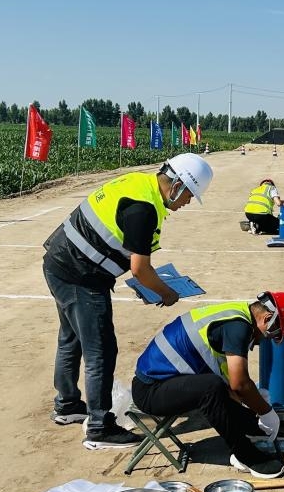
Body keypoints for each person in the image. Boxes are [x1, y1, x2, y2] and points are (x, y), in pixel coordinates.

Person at [42, 153, 213, 449]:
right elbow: (140, 269)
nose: (186, 203)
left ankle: (67, 405)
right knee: (101, 350)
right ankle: (99, 426)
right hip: (81, 276)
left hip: (61, 263)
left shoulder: (138, 182)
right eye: (188, 195)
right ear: (176, 185)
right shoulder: (144, 209)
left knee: (71, 339)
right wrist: (166, 292)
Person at [130, 291, 284, 478]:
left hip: (165, 382)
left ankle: (254, 430)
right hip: (150, 391)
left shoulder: (237, 315)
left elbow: (232, 384)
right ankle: (246, 456)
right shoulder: (239, 328)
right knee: (211, 388)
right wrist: (266, 412)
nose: (265, 340)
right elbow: (240, 384)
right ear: (268, 318)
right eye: (274, 333)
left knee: (220, 388)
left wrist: (253, 413)